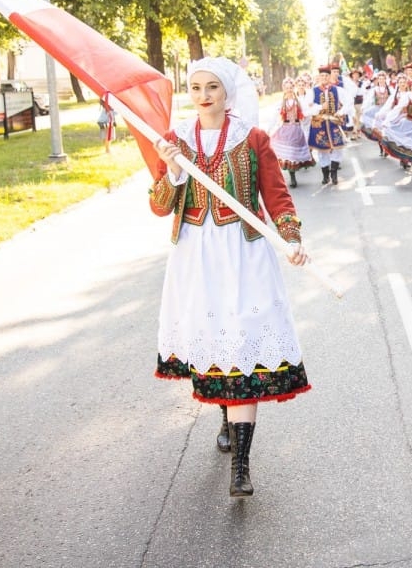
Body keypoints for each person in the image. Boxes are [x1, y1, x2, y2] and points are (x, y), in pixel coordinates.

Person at [149, 57, 310, 498]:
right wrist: (175, 169)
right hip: (196, 257)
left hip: (244, 253)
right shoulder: (174, 139)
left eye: (212, 88)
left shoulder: (252, 137)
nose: (203, 96)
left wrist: (292, 238)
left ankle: (241, 466)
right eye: (196, 87)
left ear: (227, 93)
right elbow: (160, 205)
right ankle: (225, 414)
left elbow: (276, 195)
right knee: (214, 338)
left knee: (241, 339)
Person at [379, 75, 412, 181]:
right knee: (411, 148)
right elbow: (397, 109)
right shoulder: (407, 96)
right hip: (409, 124)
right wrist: (387, 121)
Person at [270, 78, 315, 186]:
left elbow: (305, 113)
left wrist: (317, 109)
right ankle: (292, 177)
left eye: (291, 88)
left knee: (293, 154)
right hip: (285, 129)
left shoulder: (298, 102)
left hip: (296, 129)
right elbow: (275, 117)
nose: (289, 90)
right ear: (284, 89)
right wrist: (269, 128)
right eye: (287, 88)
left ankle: (293, 174)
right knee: (288, 154)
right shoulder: (281, 103)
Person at [306, 65, 347, 185]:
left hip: (333, 122)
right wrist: (319, 107)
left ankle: (334, 174)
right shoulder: (313, 91)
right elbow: (307, 109)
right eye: (322, 75)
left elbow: (348, 103)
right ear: (318, 77)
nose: (324, 78)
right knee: (322, 150)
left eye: (326, 75)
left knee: (338, 148)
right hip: (320, 123)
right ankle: (325, 175)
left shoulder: (337, 90)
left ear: (330, 77)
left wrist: (341, 112)